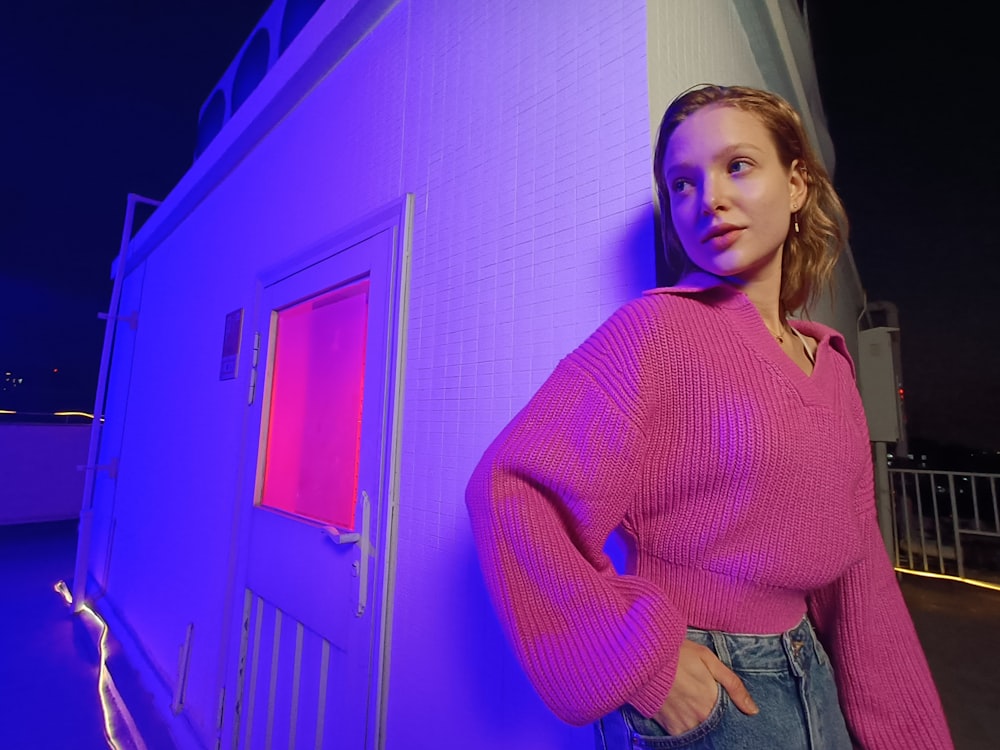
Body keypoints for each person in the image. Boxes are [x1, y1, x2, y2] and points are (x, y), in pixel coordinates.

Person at [465, 84, 953, 749]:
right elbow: (512, 489)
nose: (709, 199)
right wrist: (645, 667)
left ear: (798, 183)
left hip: (818, 677)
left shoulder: (832, 364)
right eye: (683, 184)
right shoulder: (657, 331)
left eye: (739, 166)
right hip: (712, 693)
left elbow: (859, 568)